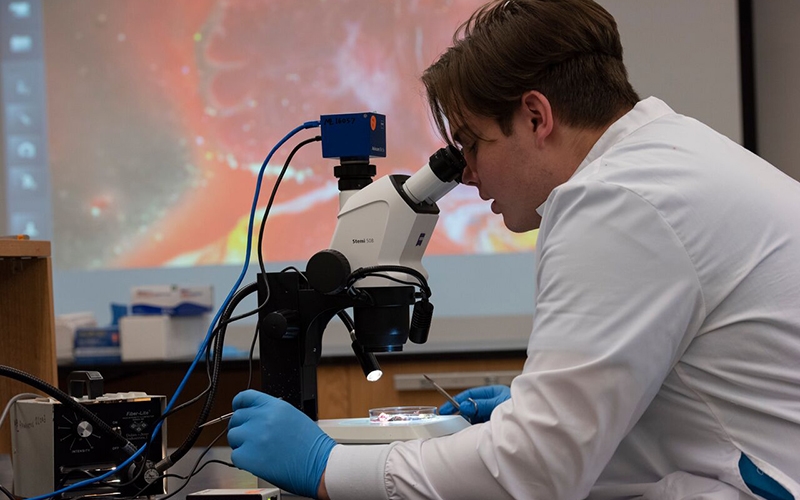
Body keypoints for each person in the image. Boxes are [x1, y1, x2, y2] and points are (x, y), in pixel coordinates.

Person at [226, 0, 800, 498]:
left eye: (472, 144)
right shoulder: (668, 157)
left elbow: (534, 475)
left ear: (535, 116)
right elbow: (691, 422)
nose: (468, 173)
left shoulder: (617, 202)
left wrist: (328, 467)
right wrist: (529, 416)